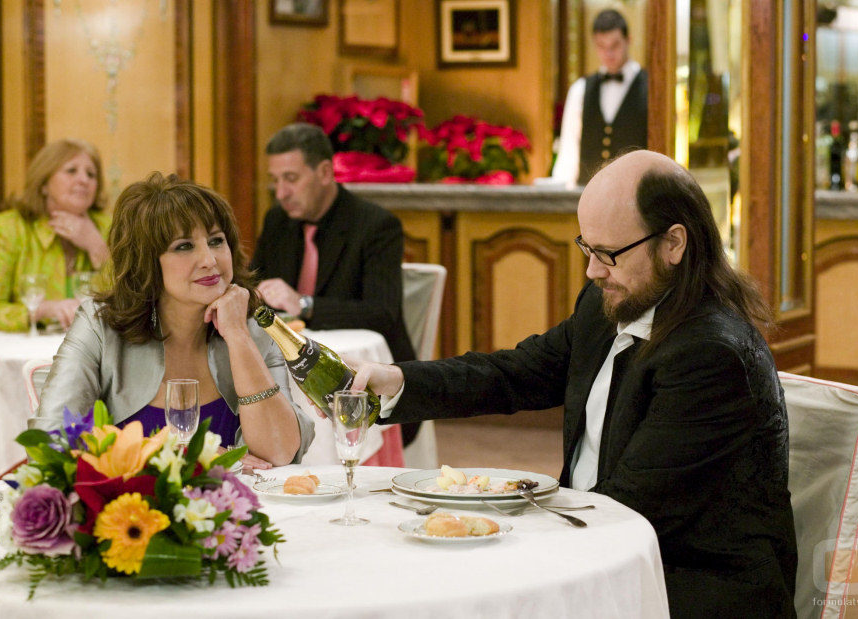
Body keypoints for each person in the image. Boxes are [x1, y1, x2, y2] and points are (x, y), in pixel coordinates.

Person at [353, 151, 798, 617]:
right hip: (602, 551)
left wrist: (488, 528)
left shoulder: (711, 355)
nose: (592, 270)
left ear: (674, 243)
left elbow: (629, 508)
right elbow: (519, 372)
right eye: (588, 248)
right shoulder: (611, 299)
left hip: (687, 586)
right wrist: (399, 380)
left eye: (608, 254)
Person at [32, 173, 314, 468]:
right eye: (184, 246)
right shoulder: (100, 325)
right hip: (133, 509)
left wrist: (238, 337)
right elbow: (49, 441)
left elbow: (280, 453)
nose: (209, 259)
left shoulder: (252, 326)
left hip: (236, 509)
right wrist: (182, 457)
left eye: (216, 241)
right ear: (147, 260)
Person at [250, 122, 415, 458]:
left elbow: (382, 312)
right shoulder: (277, 221)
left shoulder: (376, 225)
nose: (280, 192)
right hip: (286, 360)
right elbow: (255, 285)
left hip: (366, 379)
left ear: (325, 172)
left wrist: (304, 304)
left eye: (291, 179)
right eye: (275, 179)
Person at [0, 138, 111, 331]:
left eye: (91, 174)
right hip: (26, 354)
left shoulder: (108, 227)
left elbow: (136, 305)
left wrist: (96, 247)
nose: (83, 180)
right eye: (71, 170)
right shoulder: (9, 229)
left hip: (92, 352)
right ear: (44, 184)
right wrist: (41, 310)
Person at [551, 9, 648, 188]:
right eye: (601, 46)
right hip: (588, 192)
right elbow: (569, 148)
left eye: (615, 45)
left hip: (634, 194)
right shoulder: (580, 89)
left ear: (629, 40)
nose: (608, 54)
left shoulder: (650, 88)